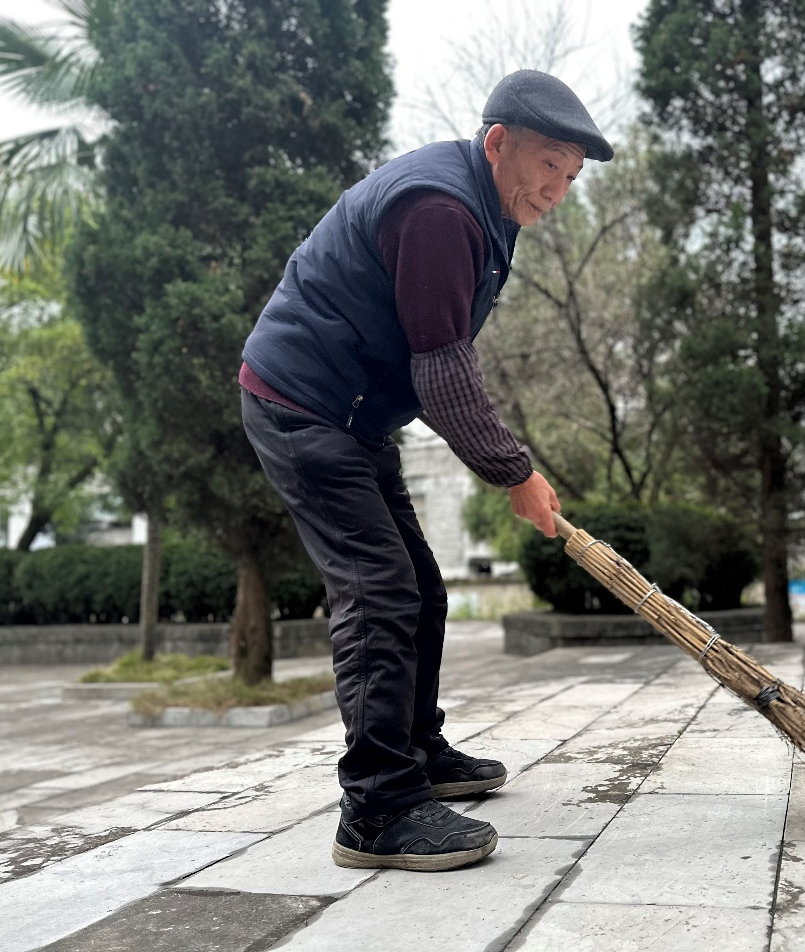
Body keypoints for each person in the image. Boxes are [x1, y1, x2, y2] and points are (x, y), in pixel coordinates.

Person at [239, 70, 613, 872]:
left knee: (420, 587)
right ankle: (376, 807)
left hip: (352, 414)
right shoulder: (442, 210)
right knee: (378, 591)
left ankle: (415, 752)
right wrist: (514, 472)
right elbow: (442, 369)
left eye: (570, 176)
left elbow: (440, 351)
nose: (556, 190)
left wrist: (505, 463)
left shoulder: (485, 204)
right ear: (497, 142)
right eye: (548, 164)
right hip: (301, 405)